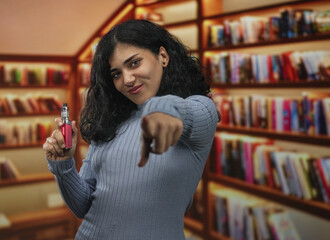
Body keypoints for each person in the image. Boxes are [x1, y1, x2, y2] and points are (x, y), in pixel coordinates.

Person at [43, 19, 219, 240]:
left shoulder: (201, 107)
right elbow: (83, 205)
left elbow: (185, 112)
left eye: (134, 63)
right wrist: (63, 165)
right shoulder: (111, 122)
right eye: (116, 74)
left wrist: (159, 108)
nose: (126, 79)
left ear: (163, 56)